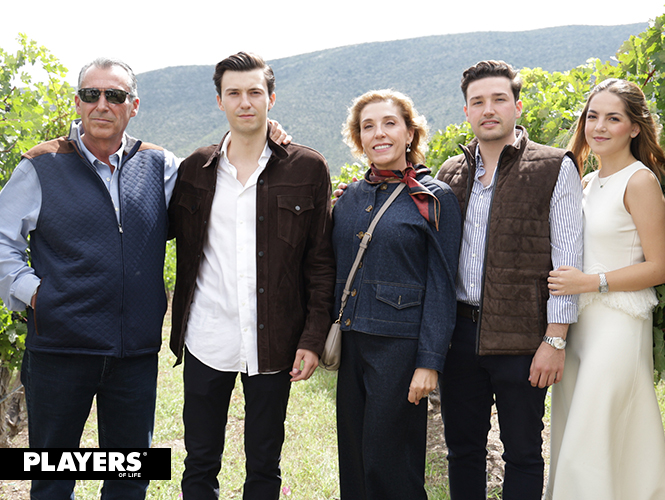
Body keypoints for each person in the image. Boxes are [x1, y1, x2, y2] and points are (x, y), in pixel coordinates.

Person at [0, 57, 179, 499]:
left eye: (114, 95)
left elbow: (222, 180)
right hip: (59, 351)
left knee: (128, 482)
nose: (102, 104)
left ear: (132, 105)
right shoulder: (40, 165)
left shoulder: (162, 166)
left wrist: (265, 136)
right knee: (51, 481)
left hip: (134, 356)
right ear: (77, 103)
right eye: (91, 94)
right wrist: (37, 295)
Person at [168, 51, 335, 500]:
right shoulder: (193, 171)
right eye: (234, 93)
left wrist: (312, 337)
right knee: (199, 459)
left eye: (255, 92)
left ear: (271, 98)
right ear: (219, 101)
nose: (246, 102)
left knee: (265, 461)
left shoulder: (308, 168)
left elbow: (320, 262)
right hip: (207, 336)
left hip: (275, 341)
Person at [435, 60, 584, 500]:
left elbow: (567, 261)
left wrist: (554, 340)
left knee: (522, 452)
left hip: (523, 339)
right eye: (477, 102)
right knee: (462, 451)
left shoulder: (555, 166)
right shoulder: (450, 173)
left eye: (499, 99)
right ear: (466, 112)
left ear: (517, 106)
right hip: (459, 336)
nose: (488, 109)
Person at [333, 89, 461, 499]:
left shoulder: (434, 198)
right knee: (354, 461)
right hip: (352, 344)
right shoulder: (349, 199)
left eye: (390, 123)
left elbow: (443, 285)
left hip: (401, 352)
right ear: (359, 138)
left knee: (392, 465)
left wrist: (429, 362)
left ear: (410, 133)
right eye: (368, 126)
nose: (379, 133)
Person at [545, 78, 665, 499]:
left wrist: (590, 281)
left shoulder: (640, 181)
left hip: (618, 323)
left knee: (590, 439)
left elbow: (660, 265)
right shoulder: (585, 182)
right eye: (593, 116)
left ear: (634, 127)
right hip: (579, 326)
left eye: (613, 118)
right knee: (578, 431)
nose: (599, 126)